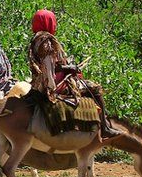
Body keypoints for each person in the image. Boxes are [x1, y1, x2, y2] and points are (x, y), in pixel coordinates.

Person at [27, 9, 119, 138]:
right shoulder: (46, 40)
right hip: (52, 83)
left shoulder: (35, 39)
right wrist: (70, 68)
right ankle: (105, 127)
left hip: (37, 82)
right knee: (95, 88)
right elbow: (50, 67)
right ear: (49, 22)